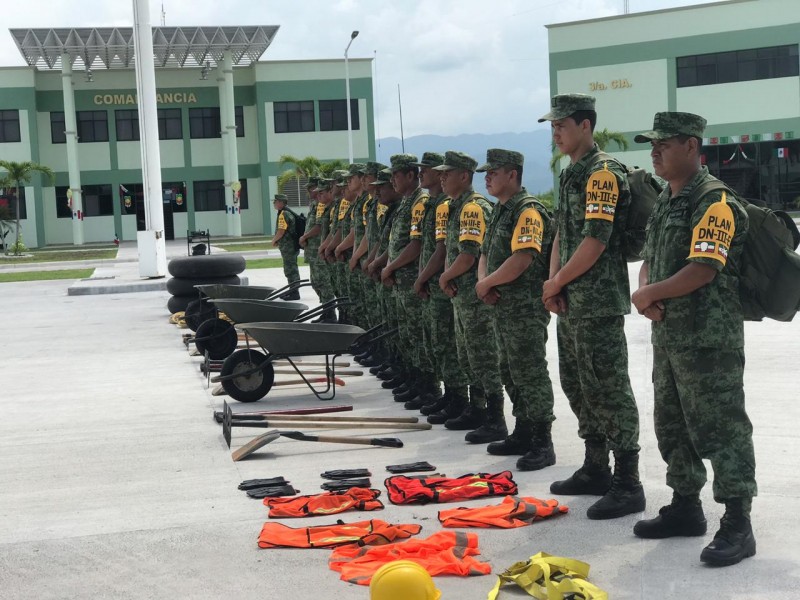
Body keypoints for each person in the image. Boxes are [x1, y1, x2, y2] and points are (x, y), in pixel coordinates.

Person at [631, 111, 756, 567]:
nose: (655, 151)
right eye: (653, 144)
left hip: (708, 341)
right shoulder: (668, 198)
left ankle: (738, 524)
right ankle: (686, 506)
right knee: (673, 424)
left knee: (721, 430)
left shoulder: (714, 202)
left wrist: (648, 293)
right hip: (670, 338)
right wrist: (647, 292)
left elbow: (704, 268)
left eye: (664, 143)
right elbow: (650, 256)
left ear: (691, 146)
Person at [538, 93, 645, 519]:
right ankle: (596, 466)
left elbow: (596, 240)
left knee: (608, 388)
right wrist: (553, 283)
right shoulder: (571, 174)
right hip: (571, 299)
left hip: (598, 302)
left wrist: (558, 280)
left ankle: (628, 481)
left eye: (562, 125)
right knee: (577, 384)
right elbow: (564, 233)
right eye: (552, 126)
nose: (556, 133)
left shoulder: (602, 174)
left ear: (586, 125)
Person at [475, 149, 556, 471]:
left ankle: (542, 441)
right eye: (487, 173)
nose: (488, 178)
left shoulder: (528, 211)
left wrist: (487, 284)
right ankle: (522, 430)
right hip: (502, 307)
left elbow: (523, 258)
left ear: (512, 174)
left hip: (524, 310)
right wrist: (485, 283)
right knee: (509, 370)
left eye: (493, 172)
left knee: (530, 372)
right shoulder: (500, 211)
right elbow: (484, 253)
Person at [434, 151, 506, 444]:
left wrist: (445, 276)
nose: (442, 177)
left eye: (447, 173)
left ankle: (496, 418)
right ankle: (476, 409)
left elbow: (469, 254)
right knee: (468, 355)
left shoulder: (473, 208)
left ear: (464, 176)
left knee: (484, 357)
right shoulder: (456, 206)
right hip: (461, 297)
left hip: (474, 299)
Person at [413, 152, 469, 417]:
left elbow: (443, 250)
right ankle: (450, 395)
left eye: (428, 170)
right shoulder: (439, 204)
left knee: (448, 343)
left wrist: (425, 277)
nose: (422, 174)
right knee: (438, 342)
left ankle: (458, 397)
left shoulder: (448, 206)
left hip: (446, 286)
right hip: (436, 285)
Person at [382, 154, 439, 407]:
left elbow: (415, 246)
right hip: (402, 282)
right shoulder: (408, 203)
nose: (392, 179)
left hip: (412, 280)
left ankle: (428, 388)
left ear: (410, 176)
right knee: (409, 335)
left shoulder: (420, 202)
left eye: (396, 175)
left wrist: (390, 266)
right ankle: (415, 381)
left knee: (419, 336)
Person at [271, 193, 301, 300]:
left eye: (275, 201)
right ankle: (292, 290)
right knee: (291, 268)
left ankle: (294, 293)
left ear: (280, 203)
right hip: (291, 246)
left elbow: (281, 231)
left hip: (288, 247)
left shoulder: (283, 214)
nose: (274, 203)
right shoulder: (286, 212)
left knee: (290, 270)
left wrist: (274, 240)